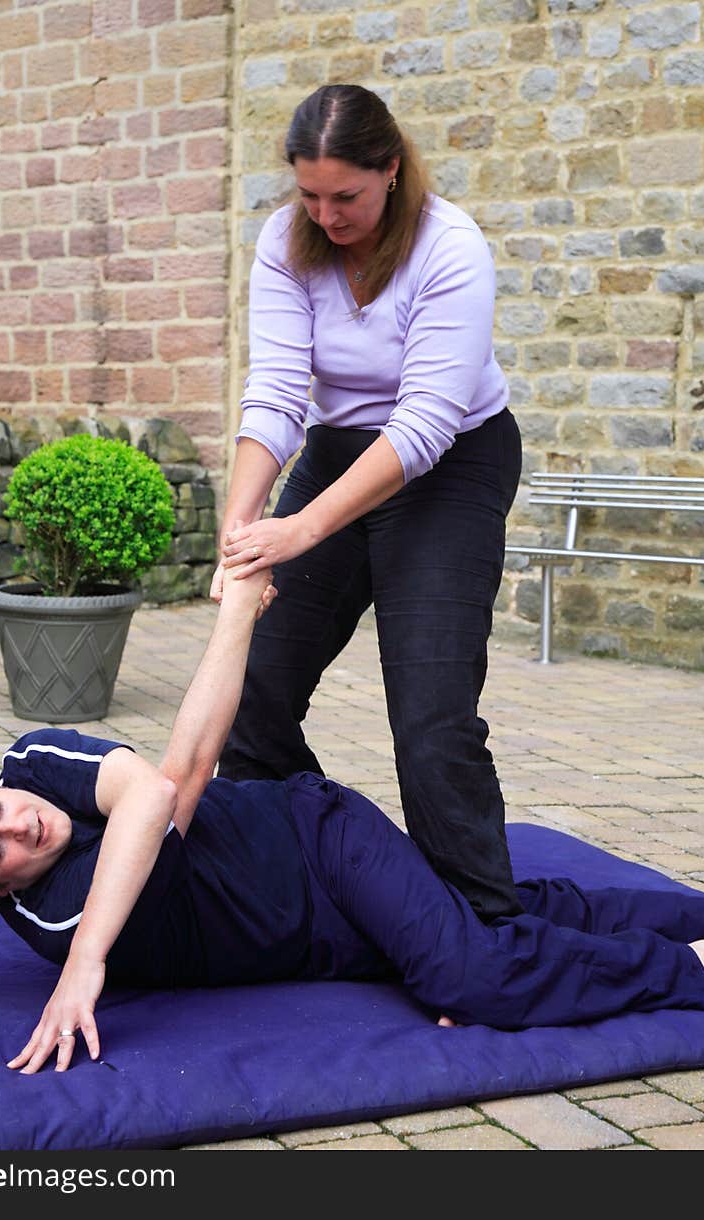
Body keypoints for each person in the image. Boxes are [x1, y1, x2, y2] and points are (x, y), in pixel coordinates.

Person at [0, 562, 704, 1076]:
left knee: (470, 977)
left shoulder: (29, 764)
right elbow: (149, 812)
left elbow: (162, 786)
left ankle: (703, 969)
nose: (23, 828)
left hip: (316, 838)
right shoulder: (55, 908)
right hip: (318, 937)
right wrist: (79, 947)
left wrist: (88, 966)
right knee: (497, 916)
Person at [212, 83, 524, 922]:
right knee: (253, 691)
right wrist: (243, 520)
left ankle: (484, 930)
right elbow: (276, 392)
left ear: (390, 171)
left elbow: (425, 424)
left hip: (450, 464)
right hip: (340, 450)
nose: (326, 214)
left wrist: (302, 527)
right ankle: (310, 871)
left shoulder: (450, 247)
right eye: (309, 195)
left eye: (344, 195)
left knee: (430, 722)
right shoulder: (286, 239)